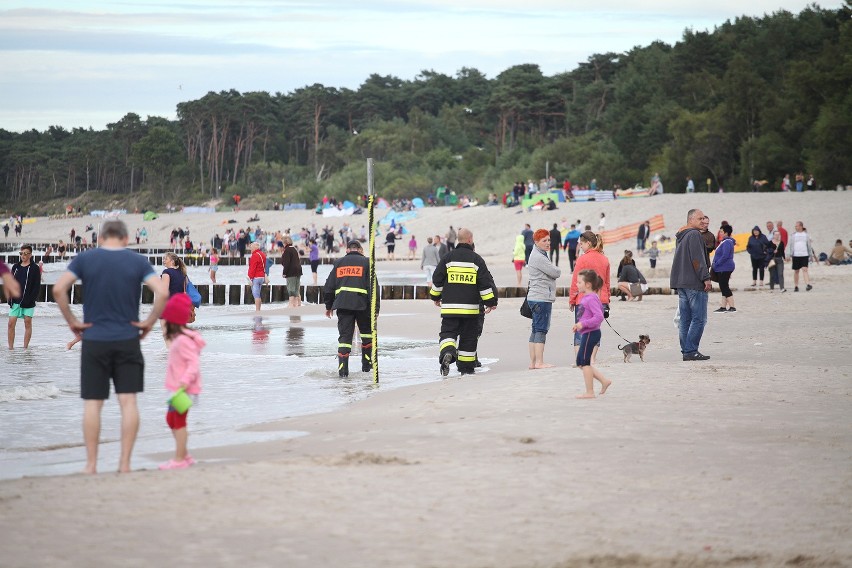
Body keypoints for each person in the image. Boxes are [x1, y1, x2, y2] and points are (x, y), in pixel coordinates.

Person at [53, 220, 168, 474]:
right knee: (128, 402)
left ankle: (91, 465)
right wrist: (149, 322)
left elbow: (59, 289)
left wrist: (73, 322)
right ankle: (124, 464)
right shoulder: (138, 261)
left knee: (93, 403)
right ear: (126, 239)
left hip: (94, 340)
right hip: (127, 338)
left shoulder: (85, 259)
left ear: (101, 238)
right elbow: (162, 293)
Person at [430, 228, 497, 376]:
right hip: (470, 310)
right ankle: (466, 369)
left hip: (450, 308)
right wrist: (491, 302)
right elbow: (485, 283)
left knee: (448, 333)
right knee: (468, 338)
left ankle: (448, 352)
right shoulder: (476, 260)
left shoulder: (448, 258)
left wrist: (435, 296)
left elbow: (437, 278)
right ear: (470, 239)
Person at [158, 293, 205, 470]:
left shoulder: (183, 340)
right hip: (177, 388)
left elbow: (193, 364)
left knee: (178, 421)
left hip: (184, 388)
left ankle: (180, 459)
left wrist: (184, 382)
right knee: (171, 419)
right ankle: (183, 455)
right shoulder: (179, 337)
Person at [323, 240, 377, 377]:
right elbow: (374, 287)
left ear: (347, 250)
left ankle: (343, 372)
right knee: (366, 335)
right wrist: (375, 308)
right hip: (363, 305)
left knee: (345, 339)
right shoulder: (367, 262)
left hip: (343, 305)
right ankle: (366, 367)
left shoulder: (338, 263)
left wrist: (328, 306)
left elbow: (328, 287)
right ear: (360, 249)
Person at [670, 209, 712, 361]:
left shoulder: (681, 235)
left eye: (704, 218)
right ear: (691, 219)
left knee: (685, 319)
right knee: (699, 318)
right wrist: (705, 277)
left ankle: (686, 350)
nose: (703, 221)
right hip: (694, 282)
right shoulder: (694, 234)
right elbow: (697, 259)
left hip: (681, 281)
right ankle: (690, 350)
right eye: (700, 218)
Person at [569, 232, 610, 365]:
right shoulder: (604, 259)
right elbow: (607, 283)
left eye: (582, 243)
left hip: (583, 299)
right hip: (600, 299)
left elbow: (576, 280)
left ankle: (578, 360)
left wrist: (571, 299)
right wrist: (607, 299)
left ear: (589, 243)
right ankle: (592, 359)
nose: (580, 246)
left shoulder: (582, 259)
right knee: (595, 328)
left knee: (580, 329)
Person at [572, 270, 612, 399]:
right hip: (587, 333)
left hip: (592, 333)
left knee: (585, 362)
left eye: (579, 282)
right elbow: (586, 316)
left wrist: (583, 324)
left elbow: (599, 317)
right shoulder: (587, 297)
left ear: (588, 284)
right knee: (580, 362)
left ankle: (590, 392)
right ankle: (604, 381)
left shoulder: (592, 298)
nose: (577, 284)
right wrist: (578, 325)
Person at [527, 229, 561, 369]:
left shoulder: (539, 254)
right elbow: (555, 272)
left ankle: (533, 363)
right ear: (536, 242)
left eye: (548, 240)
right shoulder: (538, 257)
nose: (548, 243)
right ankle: (539, 362)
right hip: (541, 298)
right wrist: (556, 271)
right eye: (544, 241)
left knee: (535, 330)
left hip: (536, 297)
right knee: (541, 329)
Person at [7, 245, 41, 350]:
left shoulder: (34, 268)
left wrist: (31, 299)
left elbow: (36, 286)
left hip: (28, 301)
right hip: (15, 299)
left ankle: (25, 349)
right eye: (21, 253)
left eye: (26, 253)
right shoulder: (15, 267)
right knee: (11, 323)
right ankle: (11, 349)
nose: (23, 255)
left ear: (30, 255)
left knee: (27, 323)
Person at [712, 224, 737, 312]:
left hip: (724, 267)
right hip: (723, 267)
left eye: (722, 231)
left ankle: (732, 307)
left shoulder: (727, 242)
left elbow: (725, 256)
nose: (720, 233)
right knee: (723, 286)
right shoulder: (726, 241)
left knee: (724, 286)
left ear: (726, 232)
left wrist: (716, 264)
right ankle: (723, 306)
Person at [790, 221, 814, 292]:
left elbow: (809, 246)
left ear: (801, 226)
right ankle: (796, 286)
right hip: (796, 255)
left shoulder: (806, 235)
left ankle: (808, 284)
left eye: (797, 226)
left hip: (804, 254)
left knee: (805, 269)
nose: (796, 227)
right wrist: (789, 254)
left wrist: (810, 255)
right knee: (796, 271)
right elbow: (790, 245)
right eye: (795, 226)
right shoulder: (793, 235)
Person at [280, 236, 302, 308]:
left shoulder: (287, 250)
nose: (282, 244)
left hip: (291, 272)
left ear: (285, 243)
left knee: (291, 288)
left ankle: (291, 304)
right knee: (296, 289)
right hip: (298, 271)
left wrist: (284, 273)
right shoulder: (294, 249)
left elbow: (287, 263)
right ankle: (296, 304)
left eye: (283, 243)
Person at [247, 241, 267, 311]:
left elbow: (252, 268)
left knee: (256, 295)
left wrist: (250, 278)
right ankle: (259, 309)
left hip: (256, 277)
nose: (250, 249)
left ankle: (257, 310)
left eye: (251, 247)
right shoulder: (262, 254)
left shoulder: (255, 255)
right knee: (258, 294)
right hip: (261, 276)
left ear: (255, 247)